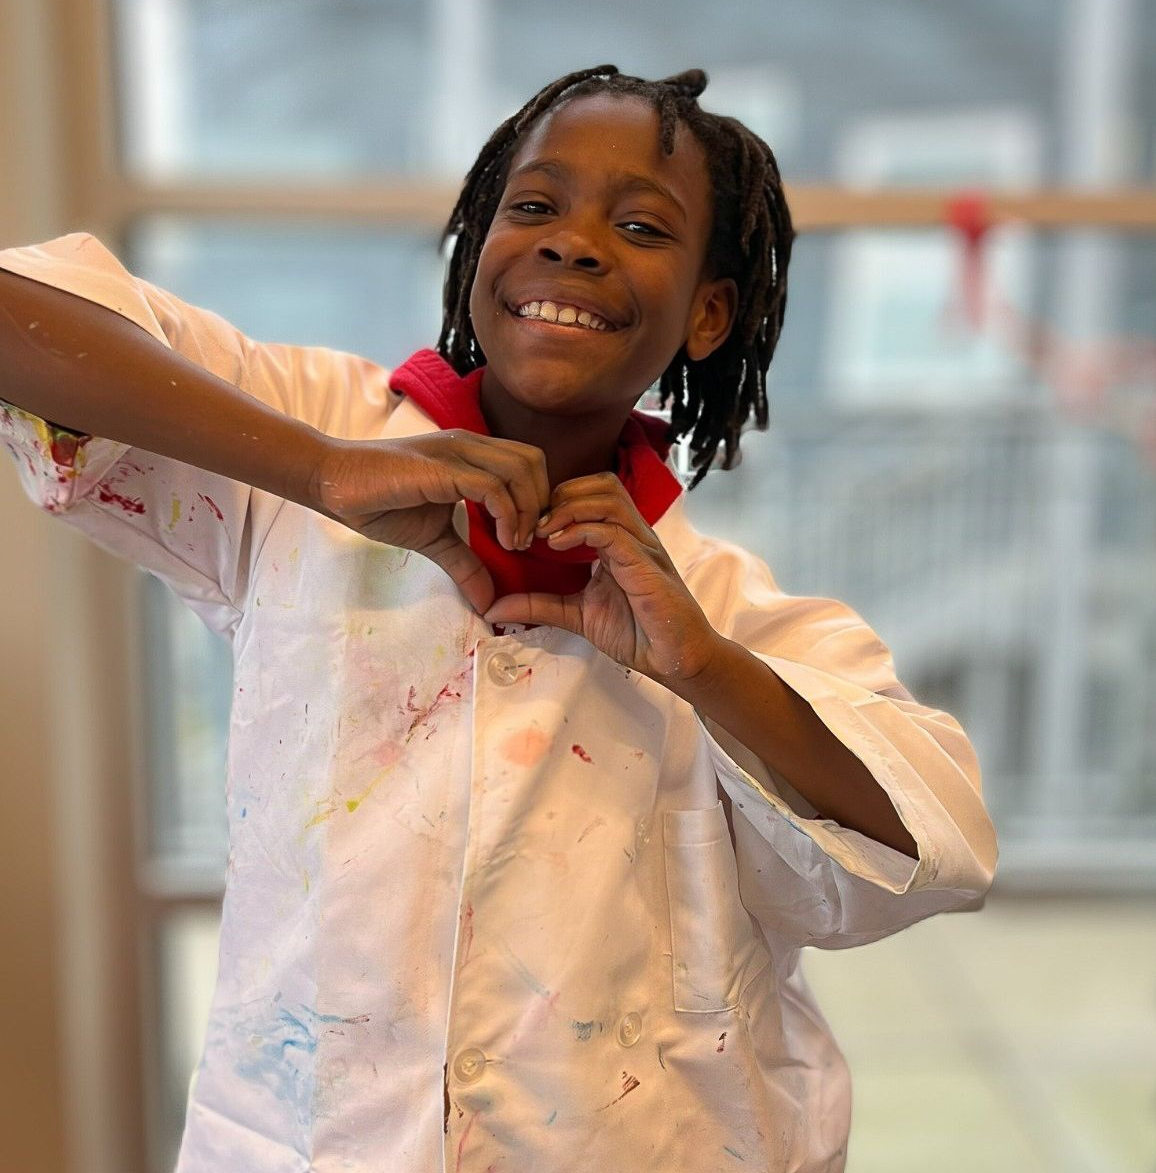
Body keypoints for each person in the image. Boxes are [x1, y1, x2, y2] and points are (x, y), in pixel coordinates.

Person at [0, 65, 997, 1172]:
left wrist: (704, 668)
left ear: (709, 314)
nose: (573, 244)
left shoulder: (728, 614)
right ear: (477, 248)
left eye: (640, 225)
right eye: (534, 206)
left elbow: (935, 848)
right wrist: (323, 470)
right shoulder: (306, 437)